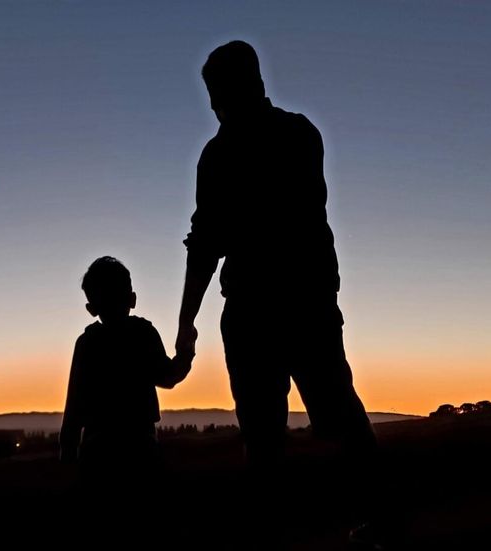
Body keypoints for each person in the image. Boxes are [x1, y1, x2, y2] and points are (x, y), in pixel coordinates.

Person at [175, 41, 376, 467]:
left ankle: (360, 520)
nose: (214, 107)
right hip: (299, 305)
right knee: (325, 422)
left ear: (249, 85)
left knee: (282, 433)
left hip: (273, 309)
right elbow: (212, 238)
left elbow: (209, 242)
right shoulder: (298, 134)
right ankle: (374, 519)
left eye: (218, 95)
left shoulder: (225, 154)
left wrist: (186, 320)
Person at [60, 256, 192, 478]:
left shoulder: (87, 343)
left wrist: (68, 449)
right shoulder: (143, 334)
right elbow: (168, 377)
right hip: (141, 444)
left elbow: (74, 402)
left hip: (97, 449)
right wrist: (186, 353)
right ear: (132, 299)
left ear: (91, 308)